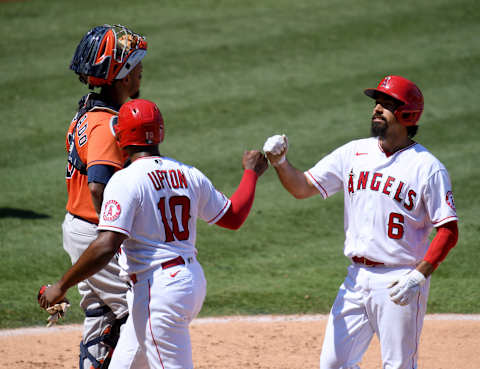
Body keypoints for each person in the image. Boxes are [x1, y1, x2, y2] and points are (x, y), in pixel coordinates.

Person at [39, 98, 269, 369]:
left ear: (122, 136)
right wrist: (251, 173)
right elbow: (233, 216)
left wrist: (61, 286)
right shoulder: (187, 173)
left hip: (159, 292)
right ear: (159, 132)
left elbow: (105, 245)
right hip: (186, 283)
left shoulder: (125, 180)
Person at [263, 75, 459, 369]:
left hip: (399, 279)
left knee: (398, 366)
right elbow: (302, 187)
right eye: (377, 103)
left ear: (407, 114)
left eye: (387, 104)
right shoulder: (354, 152)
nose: (377, 109)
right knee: (333, 363)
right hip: (356, 278)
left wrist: (418, 277)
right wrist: (279, 162)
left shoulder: (427, 168)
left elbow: (448, 230)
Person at [63, 24, 147, 369]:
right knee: (139, 313)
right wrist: (115, 230)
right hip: (96, 231)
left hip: (79, 227)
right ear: (124, 76)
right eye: (137, 65)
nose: (142, 71)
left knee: (102, 312)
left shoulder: (86, 114)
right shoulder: (108, 125)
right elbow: (99, 183)